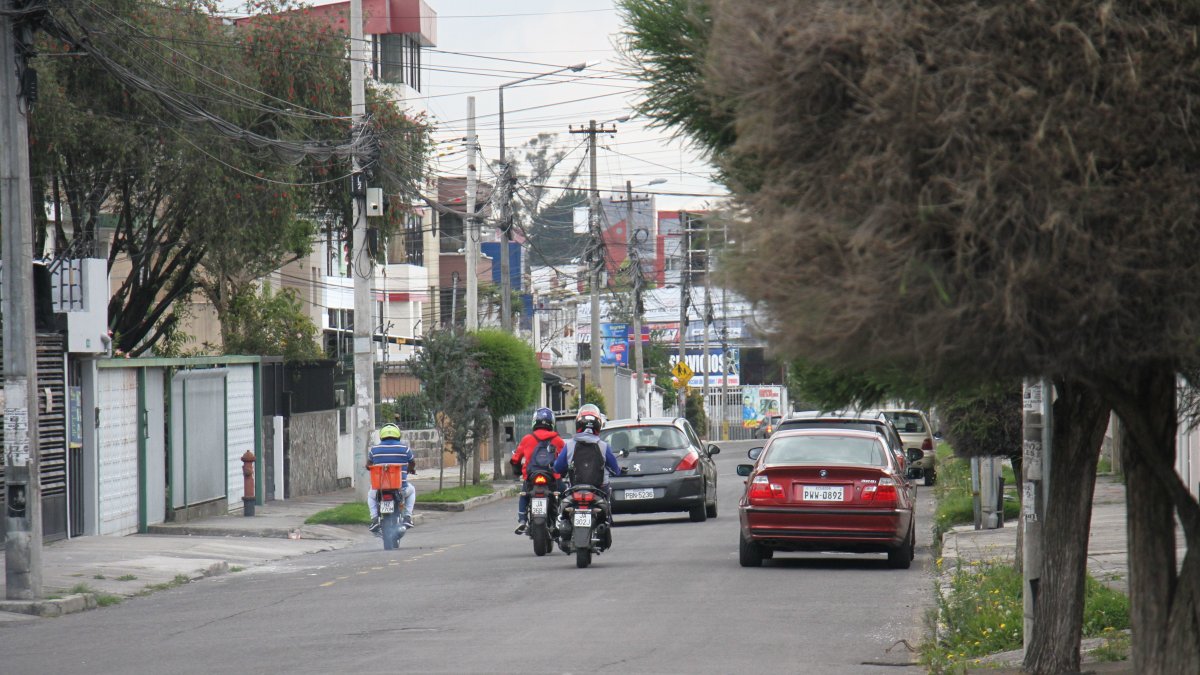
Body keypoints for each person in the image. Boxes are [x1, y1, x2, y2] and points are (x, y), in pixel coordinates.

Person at [553, 404, 622, 536]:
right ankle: (607, 521)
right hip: (599, 489)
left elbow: (558, 467)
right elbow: (615, 469)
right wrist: (618, 471)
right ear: (598, 425)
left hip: (575, 488)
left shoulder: (570, 446)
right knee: (607, 504)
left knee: (563, 511)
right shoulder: (603, 446)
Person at [510, 407, 566, 535]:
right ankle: (561, 518)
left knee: (524, 495)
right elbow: (565, 458)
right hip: (553, 477)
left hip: (531, 476)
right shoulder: (557, 439)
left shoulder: (527, 439)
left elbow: (515, 458)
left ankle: (522, 520)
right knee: (564, 495)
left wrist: (517, 470)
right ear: (551, 422)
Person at [366, 423, 417, 533]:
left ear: (381, 435)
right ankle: (407, 517)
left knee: (371, 496)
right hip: (400, 489)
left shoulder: (374, 450)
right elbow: (412, 462)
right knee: (412, 491)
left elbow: (368, 465)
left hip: (379, 489)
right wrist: (409, 469)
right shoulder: (405, 449)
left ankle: (375, 519)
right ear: (398, 435)